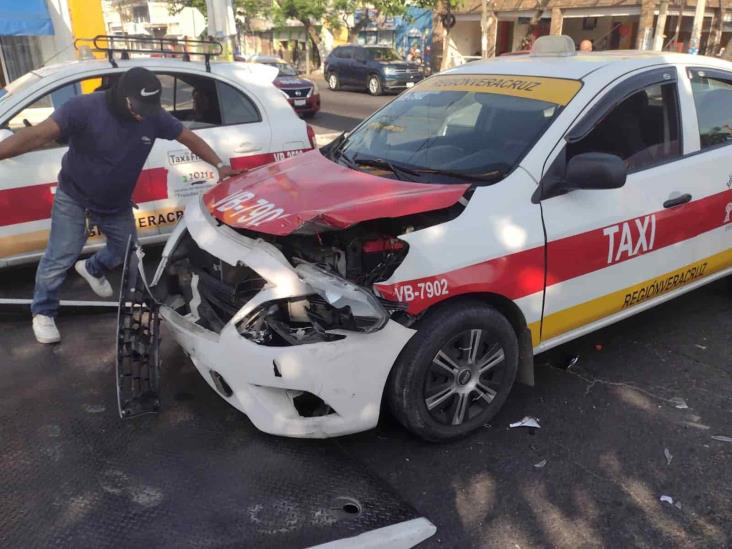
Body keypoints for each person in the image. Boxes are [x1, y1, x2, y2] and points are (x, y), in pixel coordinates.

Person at [0, 67, 241, 344]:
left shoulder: (154, 115)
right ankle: (42, 312)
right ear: (121, 95)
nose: (141, 114)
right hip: (74, 195)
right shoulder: (84, 108)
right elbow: (38, 135)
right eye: (136, 107)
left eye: (148, 109)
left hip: (115, 202)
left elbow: (189, 138)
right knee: (60, 255)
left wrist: (220, 166)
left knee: (125, 252)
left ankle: (92, 268)